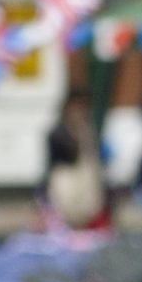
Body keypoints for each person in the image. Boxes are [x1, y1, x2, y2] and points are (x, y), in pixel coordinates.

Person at [42, 97, 107, 231]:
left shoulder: (88, 129)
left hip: (84, 177)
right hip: (66, 175)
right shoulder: (58, 131)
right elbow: (64, 157)